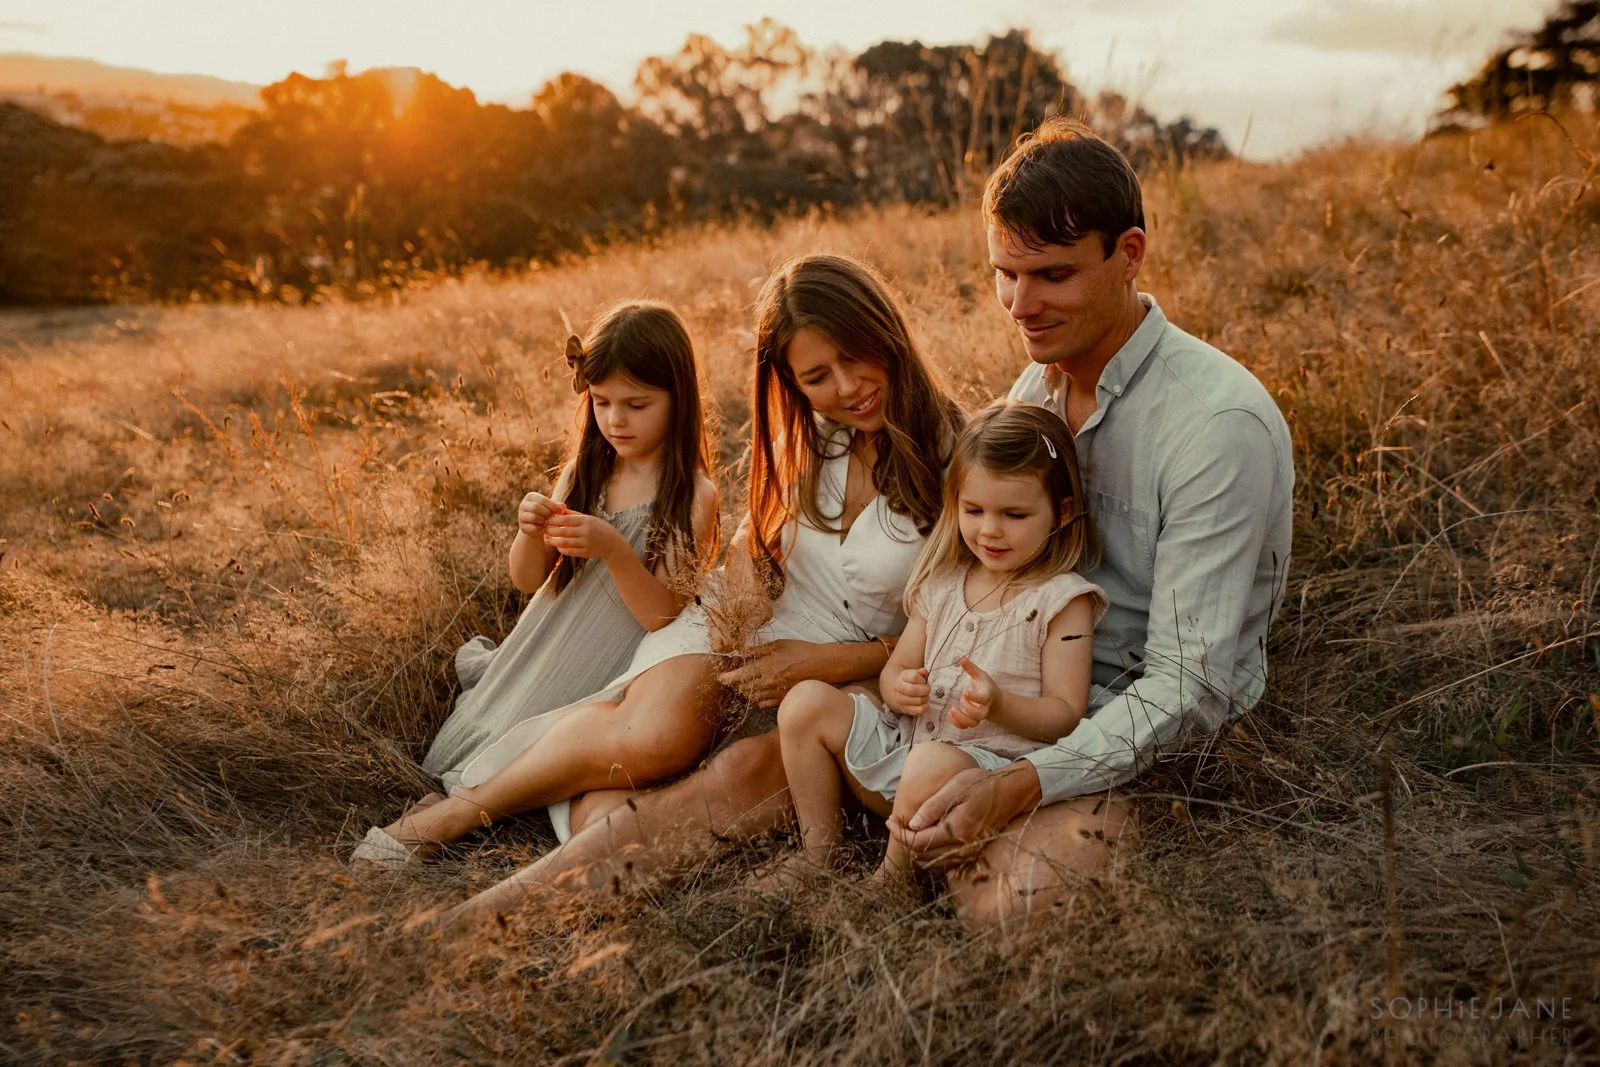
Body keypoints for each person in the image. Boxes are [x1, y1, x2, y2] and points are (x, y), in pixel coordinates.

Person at [448, 119, 1293, 926]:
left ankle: (939, 853)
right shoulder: (1033, 396)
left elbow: (1189, 686)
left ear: (1130, 254)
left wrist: (1023, 781)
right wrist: (896, 686)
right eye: (1006, 272)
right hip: (968, 706)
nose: (1020, 303)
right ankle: (490, 917)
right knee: (746, 767)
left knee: (1015, 913)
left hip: (1104, 730)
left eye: (1053, 275)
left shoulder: (1215, 424)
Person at [364, 251, 964, 867]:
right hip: (751, 625)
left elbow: (962, 627)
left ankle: (570, 821)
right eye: (815, 377)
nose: (845, 388)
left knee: (716, 775)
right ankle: (465, 809)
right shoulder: (816, 435)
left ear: (887, 332)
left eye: (856, 356)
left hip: (866, 666)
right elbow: (752, 549)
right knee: (658, 735)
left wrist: (821, 663)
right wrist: (731, 626)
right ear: (790, 382)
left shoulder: (964, 463)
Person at [351, 301, 720, 866]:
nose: (616, 420)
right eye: (601, 403)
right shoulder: (585, 472)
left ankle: (454, 815)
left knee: (543, 757)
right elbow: (526, 581)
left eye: (636, 404)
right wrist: (529, 533)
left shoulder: (693, 496)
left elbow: (662, 616)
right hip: (545, 648)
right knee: (479, 744)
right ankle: (443, 805)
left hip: (605, 664)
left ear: (679, 399)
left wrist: (614, 549)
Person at [775, 402, 1107, 885]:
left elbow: (1064, 715)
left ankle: (892, 881)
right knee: (805, 701)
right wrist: (897, 687)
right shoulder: (945, 582)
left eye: (1014, 514)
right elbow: (897, 669)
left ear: (1063, 512)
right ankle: (821, 851)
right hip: (905, 756)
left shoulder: (1061, 602)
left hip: (978, 781)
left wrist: (999, 705)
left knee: (931, 763)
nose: (989, 529)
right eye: (973, 510)